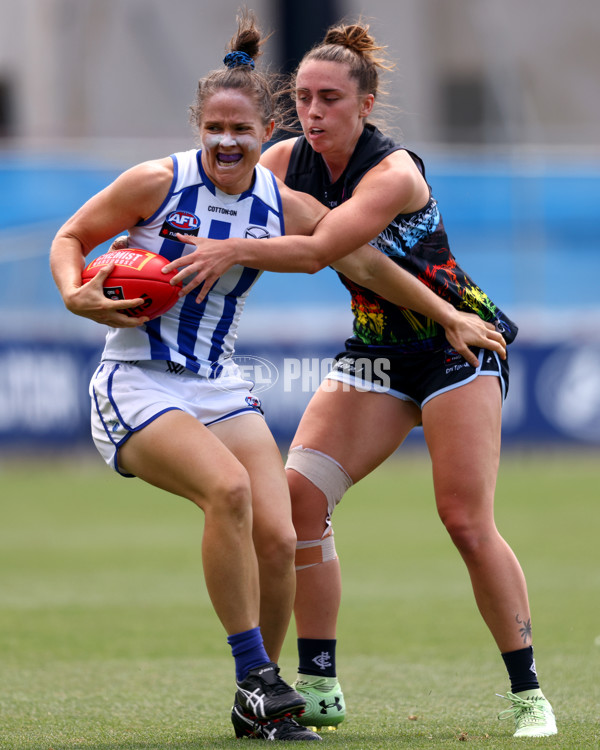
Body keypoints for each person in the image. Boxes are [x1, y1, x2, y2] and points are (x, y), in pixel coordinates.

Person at [49, 12, 508, 743]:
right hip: (137, 379)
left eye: (242, 130)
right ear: (199, 126)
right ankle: (258, 676)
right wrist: (75, 292)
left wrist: (447, 314)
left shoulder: (280, 201)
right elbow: (71, 238)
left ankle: (254, 701)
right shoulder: (156, 182)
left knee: (282, 528)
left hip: (219, 385)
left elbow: (366, 264)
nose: (227, 142)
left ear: (269, 132)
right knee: (227, 491)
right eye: (214, 129)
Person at [161, 20, 557, 740]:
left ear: (365, 105)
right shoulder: (285, 158)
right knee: (299, 501)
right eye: (304, 99)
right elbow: (214, 180)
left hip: (453, 344)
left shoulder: (394, 172)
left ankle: (529, 693)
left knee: (464, 520)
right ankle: (317, 684)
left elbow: (319, 252)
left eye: (331, 99)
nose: (314, 112)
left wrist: (221, 248)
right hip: (376, 352)